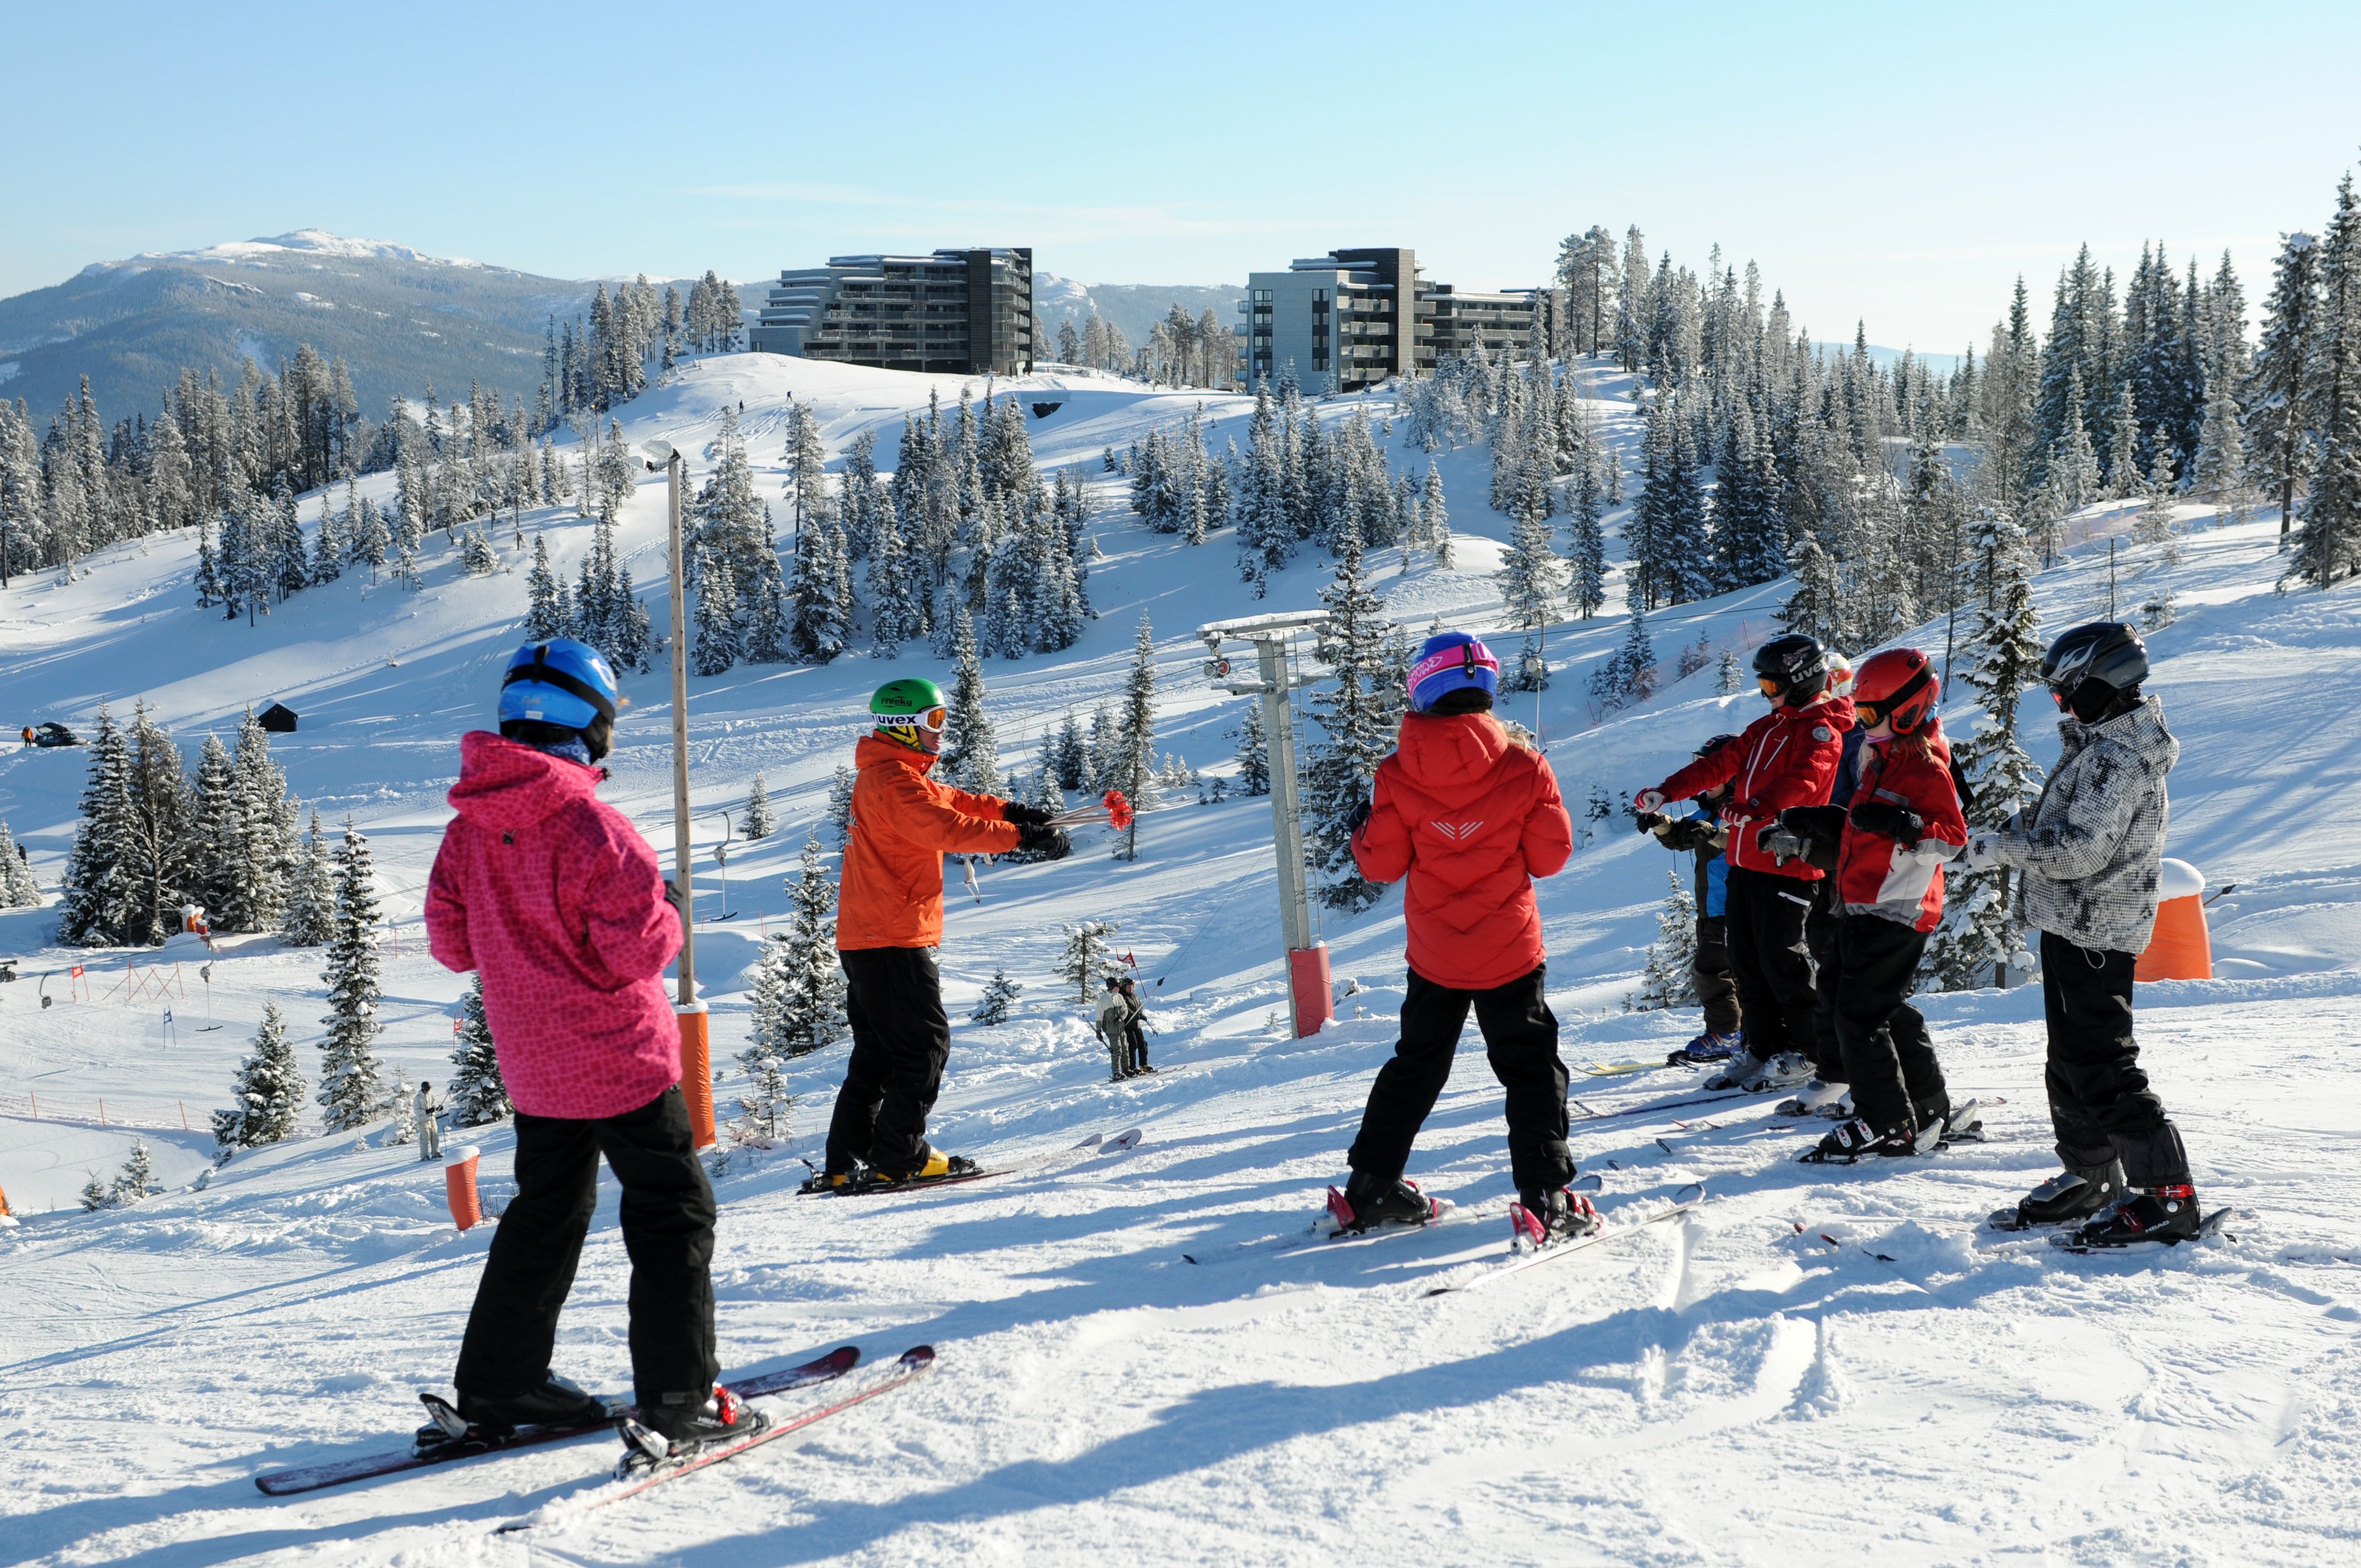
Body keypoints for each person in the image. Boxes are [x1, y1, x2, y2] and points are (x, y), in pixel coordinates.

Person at [426, 639, 748, 1461]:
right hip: (618, 1059)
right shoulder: (591, 826)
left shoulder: (468, 830)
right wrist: (669, 905)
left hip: (535, 1066)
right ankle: (680, 1399)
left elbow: (452, 945)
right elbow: (635, 952)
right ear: (590, 725)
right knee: (672, 1212)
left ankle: (502, 1383)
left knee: (546, 1213)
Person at [1330, 632, 1596, 1247]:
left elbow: (1381, 865)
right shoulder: (1523, 765)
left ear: (1422, 686)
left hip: (1436, 955)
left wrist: (1362, 831)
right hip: (1508, 947)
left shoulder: (1396, 773)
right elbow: (1551, 857)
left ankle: (1370, 1187)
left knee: (1417, 1064)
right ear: (1488, 688)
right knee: (1530, 1067)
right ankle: (1545, 1194)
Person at [1968, 623, 2201, 1246]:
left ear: (2104, 682)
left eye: (2066, 692)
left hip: (2098, 927)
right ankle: (2094, 1176)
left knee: (2102, 1065)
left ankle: (2168, 1197)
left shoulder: (2120, 758)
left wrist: (2004, 849)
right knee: (2069, 1063)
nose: (2063, 706)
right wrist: (2007, 829)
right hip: (2071, 924)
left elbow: (2079, 849)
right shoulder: (2099, 745)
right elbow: (2063, 818)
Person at [810, 677, 1073, 1191]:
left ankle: (849, 1158)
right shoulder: (893, 782)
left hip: (871, 935)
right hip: (892, 936)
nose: (941, 731)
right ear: (902, 726)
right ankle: (898, 1156)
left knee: (880, 1053)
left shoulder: (897, 775)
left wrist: (1013, 812)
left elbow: (957, 802)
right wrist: (1022, 837)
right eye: (933, 721)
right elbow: (945, 828)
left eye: (943, 719)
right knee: (925, 1046)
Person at [1638, 635, 1852, 1095]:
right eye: (1762, 684)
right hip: (1746, 862)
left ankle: (1808, 1052)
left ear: (1800, 682)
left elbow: (1807, 779)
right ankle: (1760, 1046)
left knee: (1782, 963)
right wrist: (1667, 792)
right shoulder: (1769, 727)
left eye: (1772, 685)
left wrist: (1756, 806)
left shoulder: (1820, 730)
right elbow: (1719, 765)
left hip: (1788, 865)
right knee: (1746, 963)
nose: (1765, 693)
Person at [1792, 649, 1978, 1162]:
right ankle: (1929, 1106)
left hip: (1899, 905)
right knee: (1876, 1006)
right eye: (1859, 713)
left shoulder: (1924, 766)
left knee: (1858, 1015)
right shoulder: (1880, 756)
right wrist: (1824, 822)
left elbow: (1953, 840)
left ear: (1907, 709)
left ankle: (1885, 1121)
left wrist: (1907, 827)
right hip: (1862, 900)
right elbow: (1865, 821)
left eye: (1870, 715)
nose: (1862, 724)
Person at [1638, 742, 1743, 1064]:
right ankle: (1747, 1035)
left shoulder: (1740, 811)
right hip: (1711, 909)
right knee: (1732, 973)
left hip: (1732, 908)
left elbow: (1748, 842)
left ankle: (1727, 1034)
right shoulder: (1707, 812)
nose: (1705, 779)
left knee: (1711, 972)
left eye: (1711, 771)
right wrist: (1659, 823)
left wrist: (1713, 833)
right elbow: (1681, 837)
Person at [1095, 975, 1131, 1081]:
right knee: (1117, 1050)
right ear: (1110, 988)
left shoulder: (1119, 997)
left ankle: (1126, 1069)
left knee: (1125, 1048)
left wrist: (1121, 1018)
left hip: (1121, 1028)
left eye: (1118, 987)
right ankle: (1116, 1072)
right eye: (1116, 987)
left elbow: (1125, 1010)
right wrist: (1098, 1031)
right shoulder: (1103, 1001)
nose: (1118, 989)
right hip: (1111, 1030)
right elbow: (1099, 1017)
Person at [1116, 976, 1152, 1075]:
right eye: (1128, 986)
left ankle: (1144, 1064)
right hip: (1128, 1026)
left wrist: (1140, 1015)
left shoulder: (1135, 996)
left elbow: (1139, 1008)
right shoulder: (1122, 997)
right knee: (1133, 1045)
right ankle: (1132, 1066)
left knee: (1143, 1044)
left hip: (1137, 1025)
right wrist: (1135, 1015)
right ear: (1124, 987)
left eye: (1132, 986)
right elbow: (1126, 1010)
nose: (1130, 988)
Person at [413, 1078, 445, 1163]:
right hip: (423, 1121)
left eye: (429, 1089)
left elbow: (433, 1106)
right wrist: (426, 1111)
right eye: (426, 1090)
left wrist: (437, 1108)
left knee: (435, 1137)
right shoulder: (418, 1098)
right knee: (425, 1138)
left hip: (432, 1119)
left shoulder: (431, 1096)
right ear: (423, 1089)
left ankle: (436, 1153)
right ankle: (424, 1156)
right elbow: (416, 1110)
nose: (428, 1091)